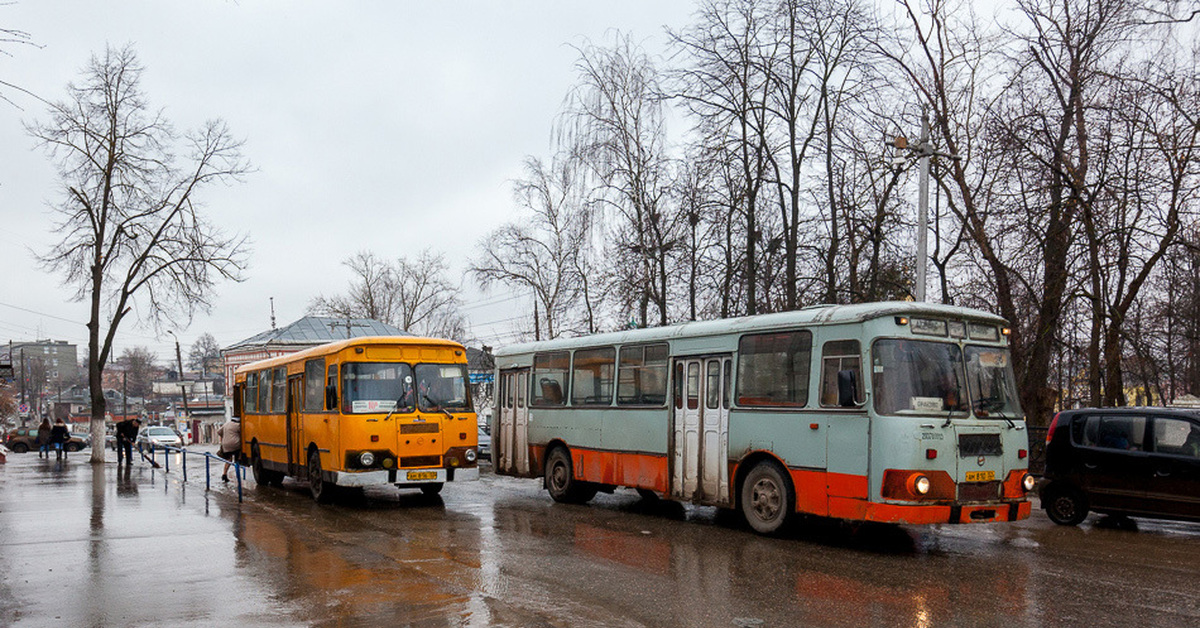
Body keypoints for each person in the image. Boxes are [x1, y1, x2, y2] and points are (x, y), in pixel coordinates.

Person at [216, 416, 241, 482]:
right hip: (236, 445)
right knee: (238, 459)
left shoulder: (226, 424)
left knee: (228, 460)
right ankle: (238, 475)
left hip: (226, 445)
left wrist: (222, 442)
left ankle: (224, 474)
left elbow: (219, 432)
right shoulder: (238, 425)